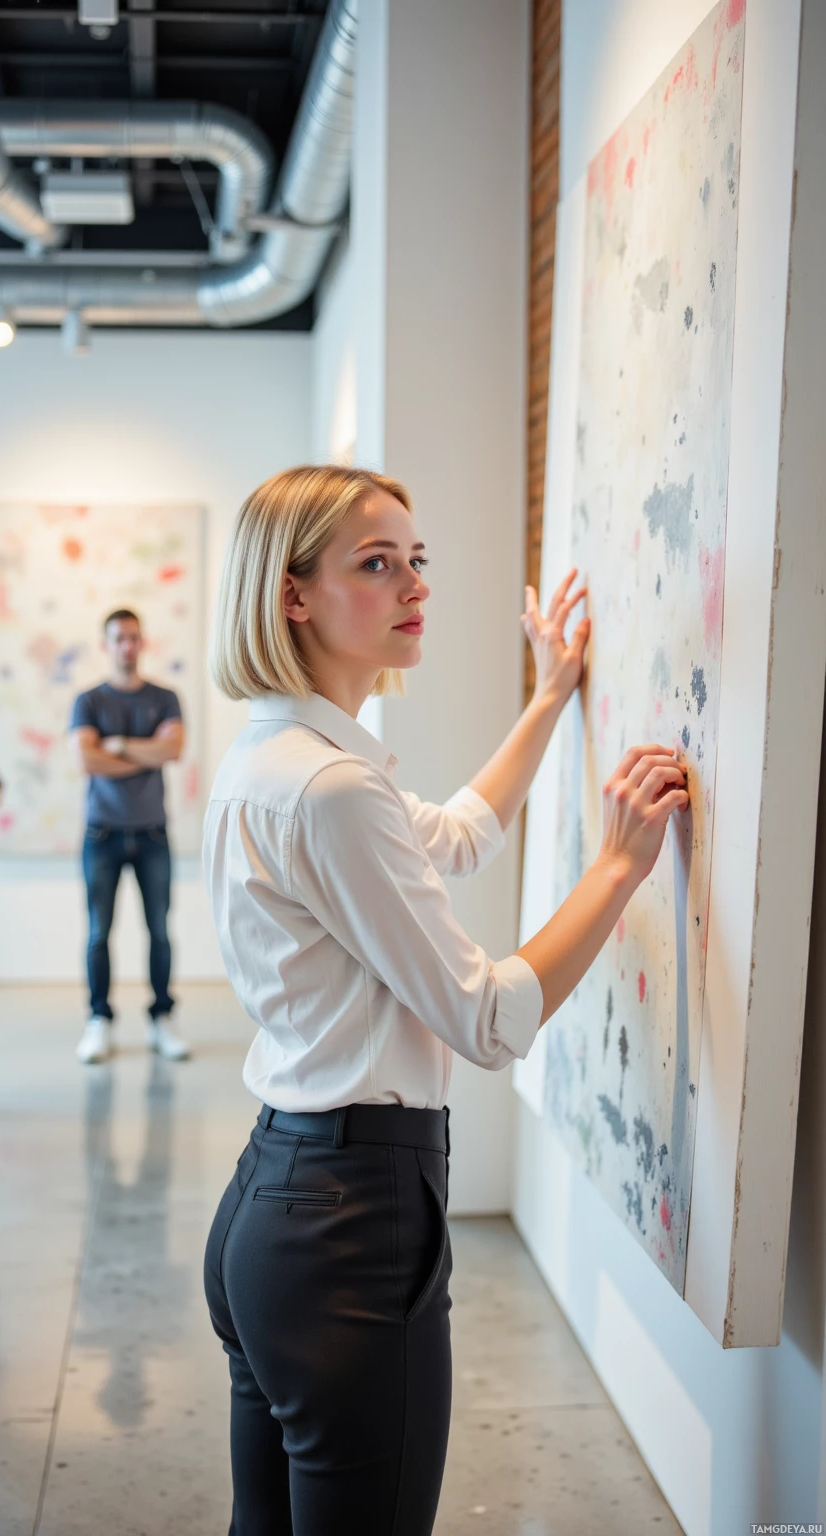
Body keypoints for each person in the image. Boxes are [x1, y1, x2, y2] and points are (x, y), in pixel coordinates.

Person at [201, 465, 689, 1535]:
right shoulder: (328, 788)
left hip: (275, 1206)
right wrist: (616, 868)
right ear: (293, 595)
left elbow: (458, 834)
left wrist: (552, 695)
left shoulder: (279, 758)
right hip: (347, 1226)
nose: (413, 584)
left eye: (415, 560)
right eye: (376, 565)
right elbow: (485, 1019)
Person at [70, 608, 190, 1065]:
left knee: (159, 930)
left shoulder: (166, 697)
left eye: (134, 638)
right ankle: (99, 1020)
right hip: (102, 833)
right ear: (106, 644)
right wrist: (147, 753)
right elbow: (87, 762)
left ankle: (163, 1018)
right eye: (118, 638)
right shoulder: (88, 701)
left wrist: (115, 744)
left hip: (153, 833)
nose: (127, 646)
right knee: (99, 932)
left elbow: (174, 749)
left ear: (143, 643)